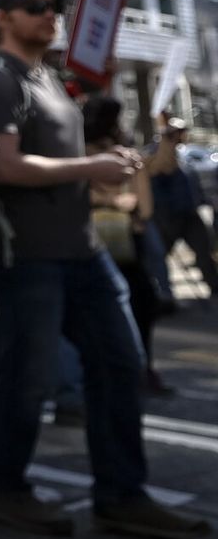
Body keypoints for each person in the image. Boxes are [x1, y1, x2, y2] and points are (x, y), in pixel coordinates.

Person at [0, 0, 210, 539]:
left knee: (121, 365)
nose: (51, 14)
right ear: (2, 16)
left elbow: (63, 167)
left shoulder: (48, 77)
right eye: (36, 7)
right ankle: (4, 487)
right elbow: (3, 167)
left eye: (55, 6)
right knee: (28, 378)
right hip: (27, 256)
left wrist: (110, 168)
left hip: (82, 251)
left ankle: (122, 495)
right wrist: (90, 169)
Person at [84, 98, 169, 397]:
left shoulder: (95, 156)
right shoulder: (99, 157)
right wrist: (112, 200)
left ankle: (131, 371)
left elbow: (161, 167)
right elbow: (142, 209)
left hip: (116, 244)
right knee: (130, 309)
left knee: (136, 306)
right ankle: (132, 371)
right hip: (112, 246)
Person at [148, 115, 217, 308]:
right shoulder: (157, 153)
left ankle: (214, 287)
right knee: (159, 256)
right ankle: (161, 294)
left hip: (188, 213)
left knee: (204, 250)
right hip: (168, 216)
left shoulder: (183, 154)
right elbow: (159, 172)